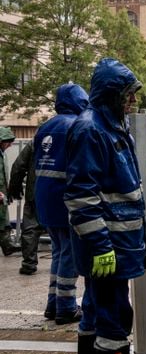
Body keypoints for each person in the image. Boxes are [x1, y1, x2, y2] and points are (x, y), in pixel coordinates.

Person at [65, 58, 146, 354]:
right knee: (115, 315)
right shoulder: (93, 130)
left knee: (95, 310)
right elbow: (82, 197)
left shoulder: (110, 127)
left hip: (115, 244)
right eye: (127, 95)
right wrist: (102, 246)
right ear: (110, 95)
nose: (131, 102)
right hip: (110, 247)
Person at [33, 84, 89, 323]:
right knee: (70, 254)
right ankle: (66, 306)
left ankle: (53, 303)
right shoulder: (76, 126)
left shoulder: (45, 127)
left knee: (58, 251)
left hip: (44, 199)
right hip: (65, 200)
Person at [8, 141, 45, 275]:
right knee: (65, 228)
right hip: (61, 193)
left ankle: (29, 264)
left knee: (30, 229)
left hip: (35, 192)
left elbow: (18, 167)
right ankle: (67, 264)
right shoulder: (73, 136)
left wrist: (14, 189)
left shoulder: (36, 142)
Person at [0, 127, 21, 257]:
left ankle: (7, 246)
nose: (10, 144)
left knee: (3, 220)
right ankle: (8, 246)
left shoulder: (2, 154)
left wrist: (8, 191)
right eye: (8, 141)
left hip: (2, 193)